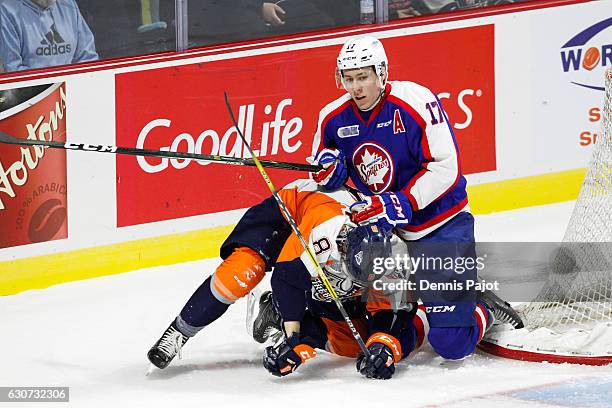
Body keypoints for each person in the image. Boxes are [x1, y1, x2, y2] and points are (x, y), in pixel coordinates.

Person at [309, 36, 523, 377]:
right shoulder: (332, 118)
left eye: (363, 76)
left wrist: (403, 201)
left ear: (381, 73)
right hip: (382, 233)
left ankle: (483, 306)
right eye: (348, 79)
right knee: (373, 323)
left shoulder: (415, 102)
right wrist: (329, 173)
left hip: (438, 225)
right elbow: (323, 177)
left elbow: (446, 167)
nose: (356, 87)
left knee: (452, 345)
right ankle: (418, 315)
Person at [147, 178, 369, 369]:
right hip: (287, 214)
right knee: (241, 272)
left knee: (349, 345)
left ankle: (275, 313)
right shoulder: (325, 230)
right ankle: (178, 332)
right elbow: (284, 275)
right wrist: (293, 339)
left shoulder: (384, 248)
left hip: (337, 242)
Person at [0, 0, 98, 72]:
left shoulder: (68, 5)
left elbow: (87, 58)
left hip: (72, 89)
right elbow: (12, 70)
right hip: (34, 96)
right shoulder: (6, 10)